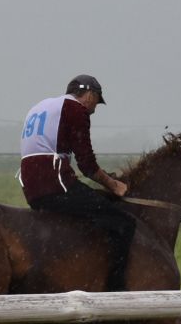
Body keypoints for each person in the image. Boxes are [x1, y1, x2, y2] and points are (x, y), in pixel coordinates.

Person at [18, 74, 138, 282]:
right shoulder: (76, 109)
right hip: (54, 183)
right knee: (123, 223)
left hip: (30, 187)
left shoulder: (42, 106)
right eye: (97, 102)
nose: (94, 109)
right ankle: (115, 290)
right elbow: (87, 165)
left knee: (92, 204)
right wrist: (114, 185)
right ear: (90, 94)